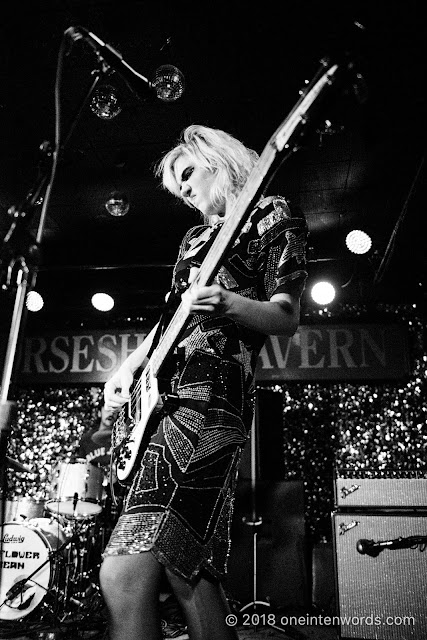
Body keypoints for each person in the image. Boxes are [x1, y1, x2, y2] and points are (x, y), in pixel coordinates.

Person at [100, 124, 308, 640]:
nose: (186, 192)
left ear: (218, 159)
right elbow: (171, 321)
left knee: (124, 572)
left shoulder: (270, 212)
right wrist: (126, 369)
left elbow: (286, 316)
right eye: (178, 187)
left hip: (211, 404)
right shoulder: (194, 239)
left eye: (189, 175)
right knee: (186, 568)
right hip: (165, 403)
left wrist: (231, 302)